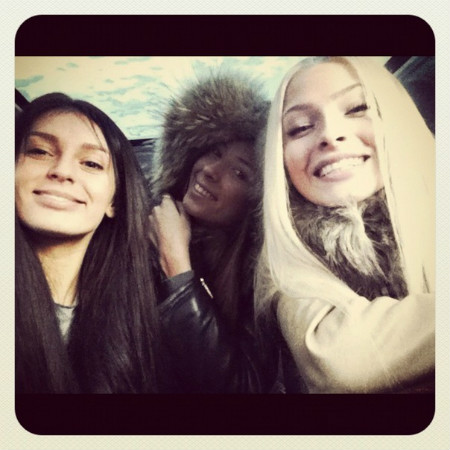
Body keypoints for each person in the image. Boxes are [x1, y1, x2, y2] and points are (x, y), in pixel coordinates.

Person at [255, 56, 435, 393]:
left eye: (357, 108)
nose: (331, 134)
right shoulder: (285, 257)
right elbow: (339, 358)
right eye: (300, 127)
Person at [15, 93, 160, 393]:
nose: (62, 171)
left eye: (91, 163)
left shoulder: (135, 319)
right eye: (39, 151)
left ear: (114, 201)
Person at [148, 72, 278, 393]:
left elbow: (245, 387)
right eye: (214, 152)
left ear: (259, 199)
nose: (209, 170)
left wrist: (177, 268)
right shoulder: (141, 227)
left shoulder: (264, 278)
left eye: (239, 172)